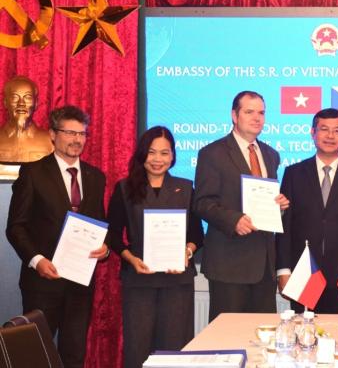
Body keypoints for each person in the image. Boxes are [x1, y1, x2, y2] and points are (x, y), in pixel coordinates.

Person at [6, 105, 107, 368]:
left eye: (82, 134)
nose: (77, 140)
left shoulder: (96, 177)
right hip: (42, 284)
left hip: (80, 286)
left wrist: (105, 249)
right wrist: (37, 260)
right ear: (52, 134)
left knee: (74, 356)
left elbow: (100, 224)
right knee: (34, 356)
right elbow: (15, 227)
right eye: (69, 133)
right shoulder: (33, 173)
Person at [108, 126, 204, 368]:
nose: (157, 159)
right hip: (139, 279)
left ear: (173, 156)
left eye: (164, 153)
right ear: (142, 154)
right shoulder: (124, 188)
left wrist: (187, 252)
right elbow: (113, 234)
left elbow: (197, 234)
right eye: (151, 152)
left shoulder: (186, 188)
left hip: (177, 282)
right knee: (138, 349)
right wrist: (131, 259)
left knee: (175, 349)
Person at [194, 91, 289, 319]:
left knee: (262, 334)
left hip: (264, 266)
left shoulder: (271, 155)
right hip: (229, 264)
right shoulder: (212, 153)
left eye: (261, 113)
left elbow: (265, 203)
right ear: (234, 115)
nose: (257, 118)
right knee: (228, 335)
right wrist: (233, 220)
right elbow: (202, 202)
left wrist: (279, 207)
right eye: (249, 112)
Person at [277, 108, 338, 313]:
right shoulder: (294, 174)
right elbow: (285, 226)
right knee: (303, 332)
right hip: (303, 274)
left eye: (337, 131)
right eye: (324, 129)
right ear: (313, 133)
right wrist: (283, 270)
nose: (330, 136)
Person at [0, 75, 53, 163]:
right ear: (5, 102)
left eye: (27, 97)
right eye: (15, 97)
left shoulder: (51, 141)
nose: (21, 103)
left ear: (36, 103)